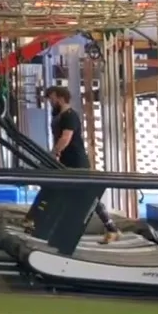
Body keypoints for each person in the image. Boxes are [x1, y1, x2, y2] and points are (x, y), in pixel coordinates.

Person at [44, 85, 120, 241]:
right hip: (66, 160)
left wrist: (53, 153)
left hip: (76, 161)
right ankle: (110, 228)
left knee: (88, 195)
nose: (50, 102)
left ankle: (111, 229)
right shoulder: (60, 116)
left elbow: (66, 138)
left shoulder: (70, 116)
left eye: (52, 99)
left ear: (60, 97)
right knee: (65, 194)